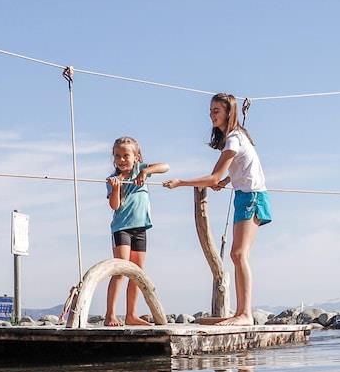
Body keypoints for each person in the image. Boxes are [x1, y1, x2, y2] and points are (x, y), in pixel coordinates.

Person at [164, 92, 270, 325]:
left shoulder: (234, 138)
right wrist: (227, 181)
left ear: (229, 113)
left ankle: (245, 314)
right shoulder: (236, 137)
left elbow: (213, 177)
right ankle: (241, 312)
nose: (211, 115)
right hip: (244, 195)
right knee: (238, 254)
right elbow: (244, 167)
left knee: (238, 254)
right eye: (210, 111)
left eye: (216, 111)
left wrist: (181, 182)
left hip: (252, 197)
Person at [100, 137, 168, 326]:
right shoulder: (112, 180)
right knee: (121, 270)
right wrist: (116, 189)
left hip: (140, 228)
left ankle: (131, 315)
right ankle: (110, 314)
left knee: (136, 273)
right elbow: (115, 206)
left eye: (126, 155)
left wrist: (146, 171)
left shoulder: (140, 170)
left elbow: (166, 167)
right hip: (122, 229)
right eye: (117, 156)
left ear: (136, 157)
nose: (121, 160)